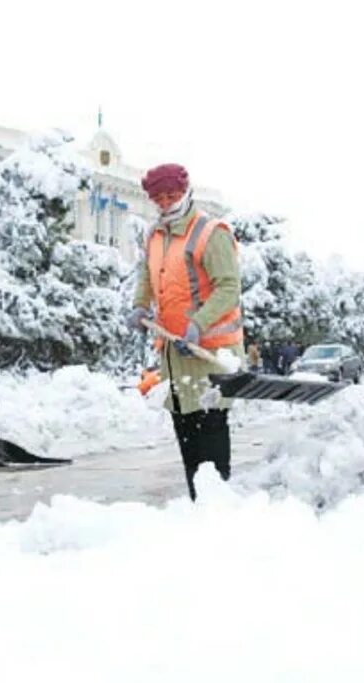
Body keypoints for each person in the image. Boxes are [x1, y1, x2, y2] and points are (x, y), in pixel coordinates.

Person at [124, 163, 245, 500]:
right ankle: (198, 502)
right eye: (158, 198)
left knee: (210, 429)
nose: (165, 202)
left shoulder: (211, 232)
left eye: (171, 195)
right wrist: (140, 305)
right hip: (176, 355)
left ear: (186, 191)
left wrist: (198, 324)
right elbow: (147, 276)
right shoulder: (156, 235)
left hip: (211, 355)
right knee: (185, 429)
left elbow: (228, 288)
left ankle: (217, 505)